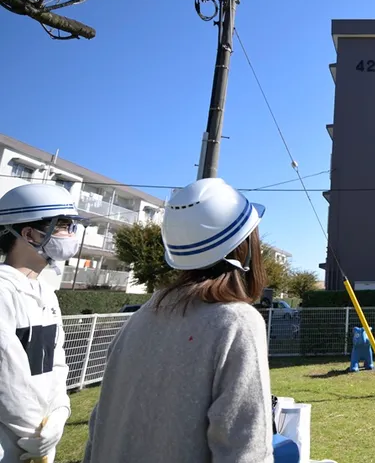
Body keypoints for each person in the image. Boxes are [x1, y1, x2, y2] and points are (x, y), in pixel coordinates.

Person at [83, 178, 274, 462]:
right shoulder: (237, 323)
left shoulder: (139, 318)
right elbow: (246, 450)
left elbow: (98, 425)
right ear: (243, 247)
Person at [0, 183, 78, 463]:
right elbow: (6, 379)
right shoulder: (3, 291)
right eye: (63, 226)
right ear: (29, 233)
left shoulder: (46, 293)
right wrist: (37, 435)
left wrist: (58, 414)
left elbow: (56, 363)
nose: (71, 235)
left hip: (39, 439)